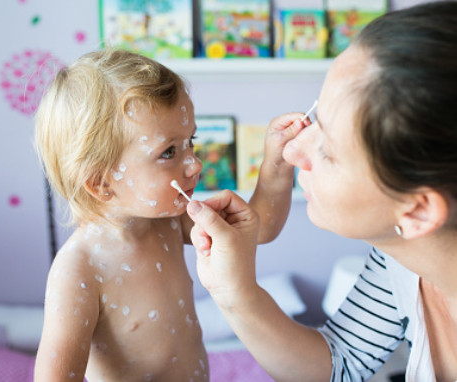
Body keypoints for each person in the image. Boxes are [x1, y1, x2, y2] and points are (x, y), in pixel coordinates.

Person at [186, 2, 457, 381]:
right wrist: (234, 292)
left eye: (327, 150)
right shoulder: (399, 257)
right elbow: (340, 363)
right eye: (314, 116)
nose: (292, 150)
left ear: (418, 212)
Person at [33, 49, 300, 381]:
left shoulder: (168, 221)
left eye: (192, 141)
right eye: (169, 152)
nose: (195, 164)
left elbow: (260, 227)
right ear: (101, 183)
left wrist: (278, 163)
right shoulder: (79, 270)